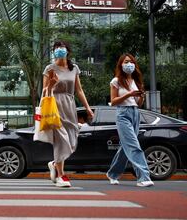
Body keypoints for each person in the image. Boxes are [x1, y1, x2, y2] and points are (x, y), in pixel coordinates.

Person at [42, 41, 94, 187]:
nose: (59, 50)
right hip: (54, 105)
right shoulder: (50, 68)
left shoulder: (74, 68)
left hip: (69, 106)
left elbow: (79, 90)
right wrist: (52, 85)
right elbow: (44, 91)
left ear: (68, 50)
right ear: (53, 52)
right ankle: (61, 175)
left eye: (62, 47)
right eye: (56, 48)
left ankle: (54, 163)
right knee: (61, 140)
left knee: (71, 140)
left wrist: (87, 108)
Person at [106, 53, 154, 187]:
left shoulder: (136, 81)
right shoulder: (115, 81)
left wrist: (141, 97)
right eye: (126, 62)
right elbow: (113, 101)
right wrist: (129, 94)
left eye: (131, 62)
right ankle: (144, 177)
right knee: (133, 145)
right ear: (121, 65)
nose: (129, 64)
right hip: (122, 113)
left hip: (135, 113)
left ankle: (113, 174)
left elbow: (138, 104)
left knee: (125, 146)